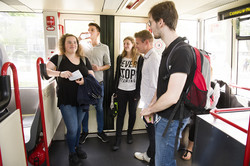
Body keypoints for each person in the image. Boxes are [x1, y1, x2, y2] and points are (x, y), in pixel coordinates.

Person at [140, 1, 195, 166]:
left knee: (164, 163)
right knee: (160, 161)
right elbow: (162, 86)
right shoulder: (168, 50)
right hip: (164, 117)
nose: (150, 27)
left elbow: (172, 96)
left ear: (161, 22)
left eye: (151, 22)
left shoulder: (182, 51)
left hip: (172, 120)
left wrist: (149, 109)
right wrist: (151, 106)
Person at [46, 33, 93, 165]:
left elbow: (92, 76)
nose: (73, 44)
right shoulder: (58, 58)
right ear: (63, 45)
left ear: (78, 44)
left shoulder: (84, 59)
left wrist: (84, 81)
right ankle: (71, 152)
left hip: (82, 99)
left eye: (75, 42)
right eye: (69, 42)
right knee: (72, 128)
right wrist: (60, 73)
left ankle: (77, 147)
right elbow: (45, 70)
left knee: (78, 127)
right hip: (66, 99)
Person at [79, 23, 111, 143]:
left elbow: (108, 64)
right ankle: (85, 132)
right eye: (88, 30)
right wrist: (79, 38)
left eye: (92, 30)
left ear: (98, 33)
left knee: (99, 108)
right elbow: (72, 49)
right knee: (85, 109)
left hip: (98, 83)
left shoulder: (104, 47)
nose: (89, 32)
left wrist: (99, 68)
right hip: (85, 83)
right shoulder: (82, 46)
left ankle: (100, 132)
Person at [133, 30, 161, 166]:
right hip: (147, 103)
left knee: (153, 135)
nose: (135, 46)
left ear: (146, 42)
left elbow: (157, 87)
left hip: (151, 105)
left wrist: (150, 109)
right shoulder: (147, 58)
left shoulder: (154, 59)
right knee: (151, 134)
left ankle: (153, 161)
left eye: (137, 43)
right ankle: (148, 155)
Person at [112, 36, 144, 151]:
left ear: (133, 45)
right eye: (124, 43)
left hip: (133, 91)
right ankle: (118, 138)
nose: (125, 46)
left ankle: (129, 134)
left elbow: (141, 76)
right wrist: (115, 90)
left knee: (132, 113)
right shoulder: (120, 58)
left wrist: (138, 93)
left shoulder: (140, 58)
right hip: (121, 90)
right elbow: (117, 74)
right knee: (120, 115)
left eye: (128, 43)